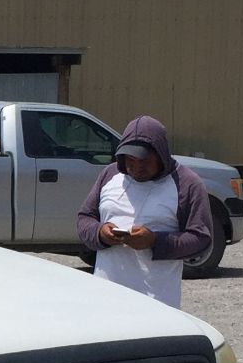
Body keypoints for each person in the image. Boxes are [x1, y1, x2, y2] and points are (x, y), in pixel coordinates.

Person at [76, 115, 212, 308]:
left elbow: (202, 239)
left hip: (157, 303)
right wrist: (100, 233)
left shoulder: (187, 184)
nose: (137, 167)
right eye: (130, 159)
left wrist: (154, 241)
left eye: (144, 160)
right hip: (105, 298)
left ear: (161, 154)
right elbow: (84, 219)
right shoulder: (109, 175)